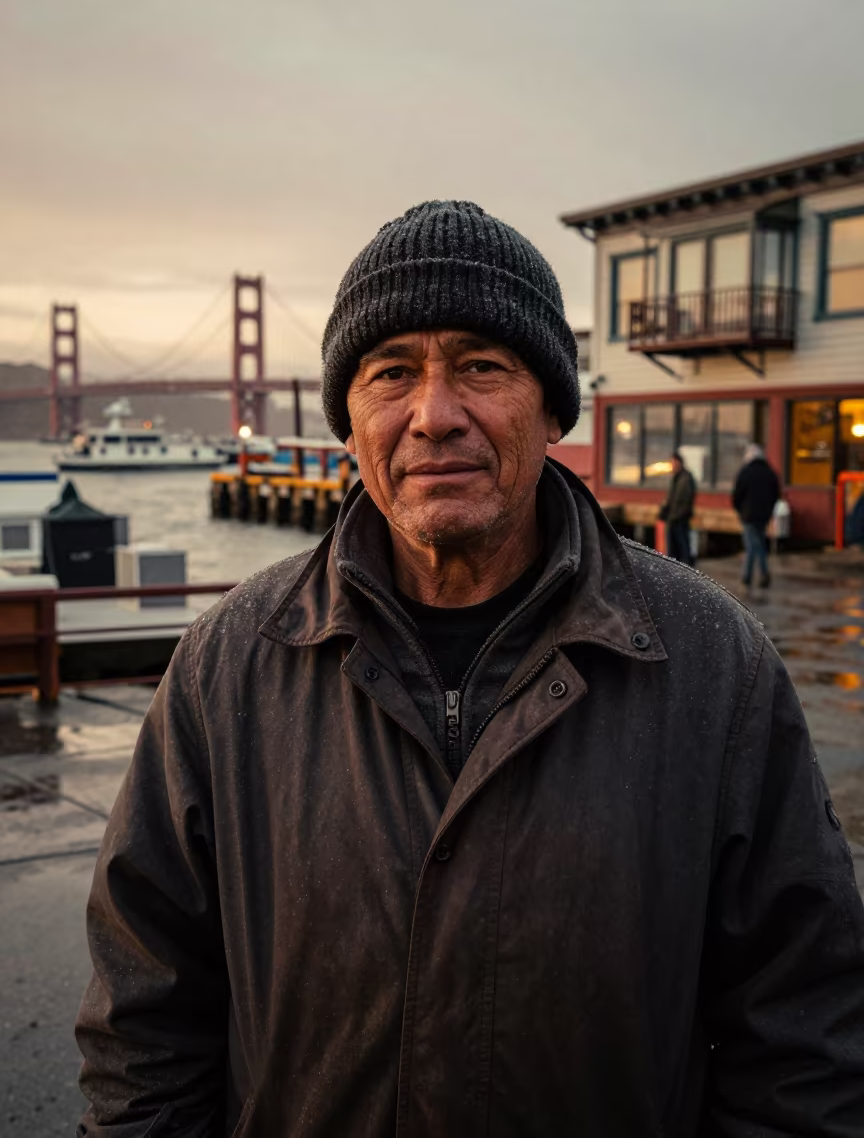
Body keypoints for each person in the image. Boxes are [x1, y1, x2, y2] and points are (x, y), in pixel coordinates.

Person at [75, 201, 864, 1138]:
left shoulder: (712, 664)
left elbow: (804, 1033)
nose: (434, 416)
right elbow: (144, 1027)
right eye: (391, 373)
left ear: (553, 407)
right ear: (348, 421)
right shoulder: (229, 666)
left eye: (481, 367)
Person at [732, 443, 781, 589]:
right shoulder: (770, 473)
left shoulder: (745, 472)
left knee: (753, 545)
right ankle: (752, 576)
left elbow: (737, 494)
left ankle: (752, 575)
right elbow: (776, 494)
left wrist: (740, 509)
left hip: (748, 515)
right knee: (757, 542)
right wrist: (769, 509)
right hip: (764, 515)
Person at [659, 450, 696, 565]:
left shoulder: (686, 479)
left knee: (682, 546)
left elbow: (685, 501)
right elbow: (671, 498)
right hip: (673, 518)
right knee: (673, 548)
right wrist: (665, 510)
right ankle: (675, 567)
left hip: (680, 519)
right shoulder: (676, 478)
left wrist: (679, 514)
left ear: (679, 463)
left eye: (674, 463)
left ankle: (685, 567)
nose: (672, 466)